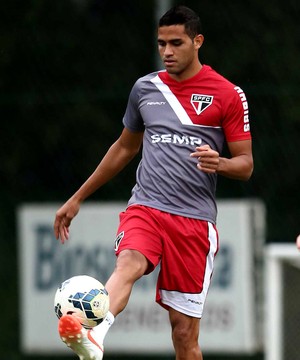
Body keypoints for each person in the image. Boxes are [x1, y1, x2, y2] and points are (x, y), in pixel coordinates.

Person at [54, 5, 253, 360]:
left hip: (194, 222)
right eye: (161, 44)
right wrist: (77, 197)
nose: (167, 52)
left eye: (176, 43)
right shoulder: (145, 88)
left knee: (184, 335)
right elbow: (124, 148)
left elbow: (246, 165)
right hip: (146, 207)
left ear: (198, 41)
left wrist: (220, 163)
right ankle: (94, 335)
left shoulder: (227, 94)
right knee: (128, 261)